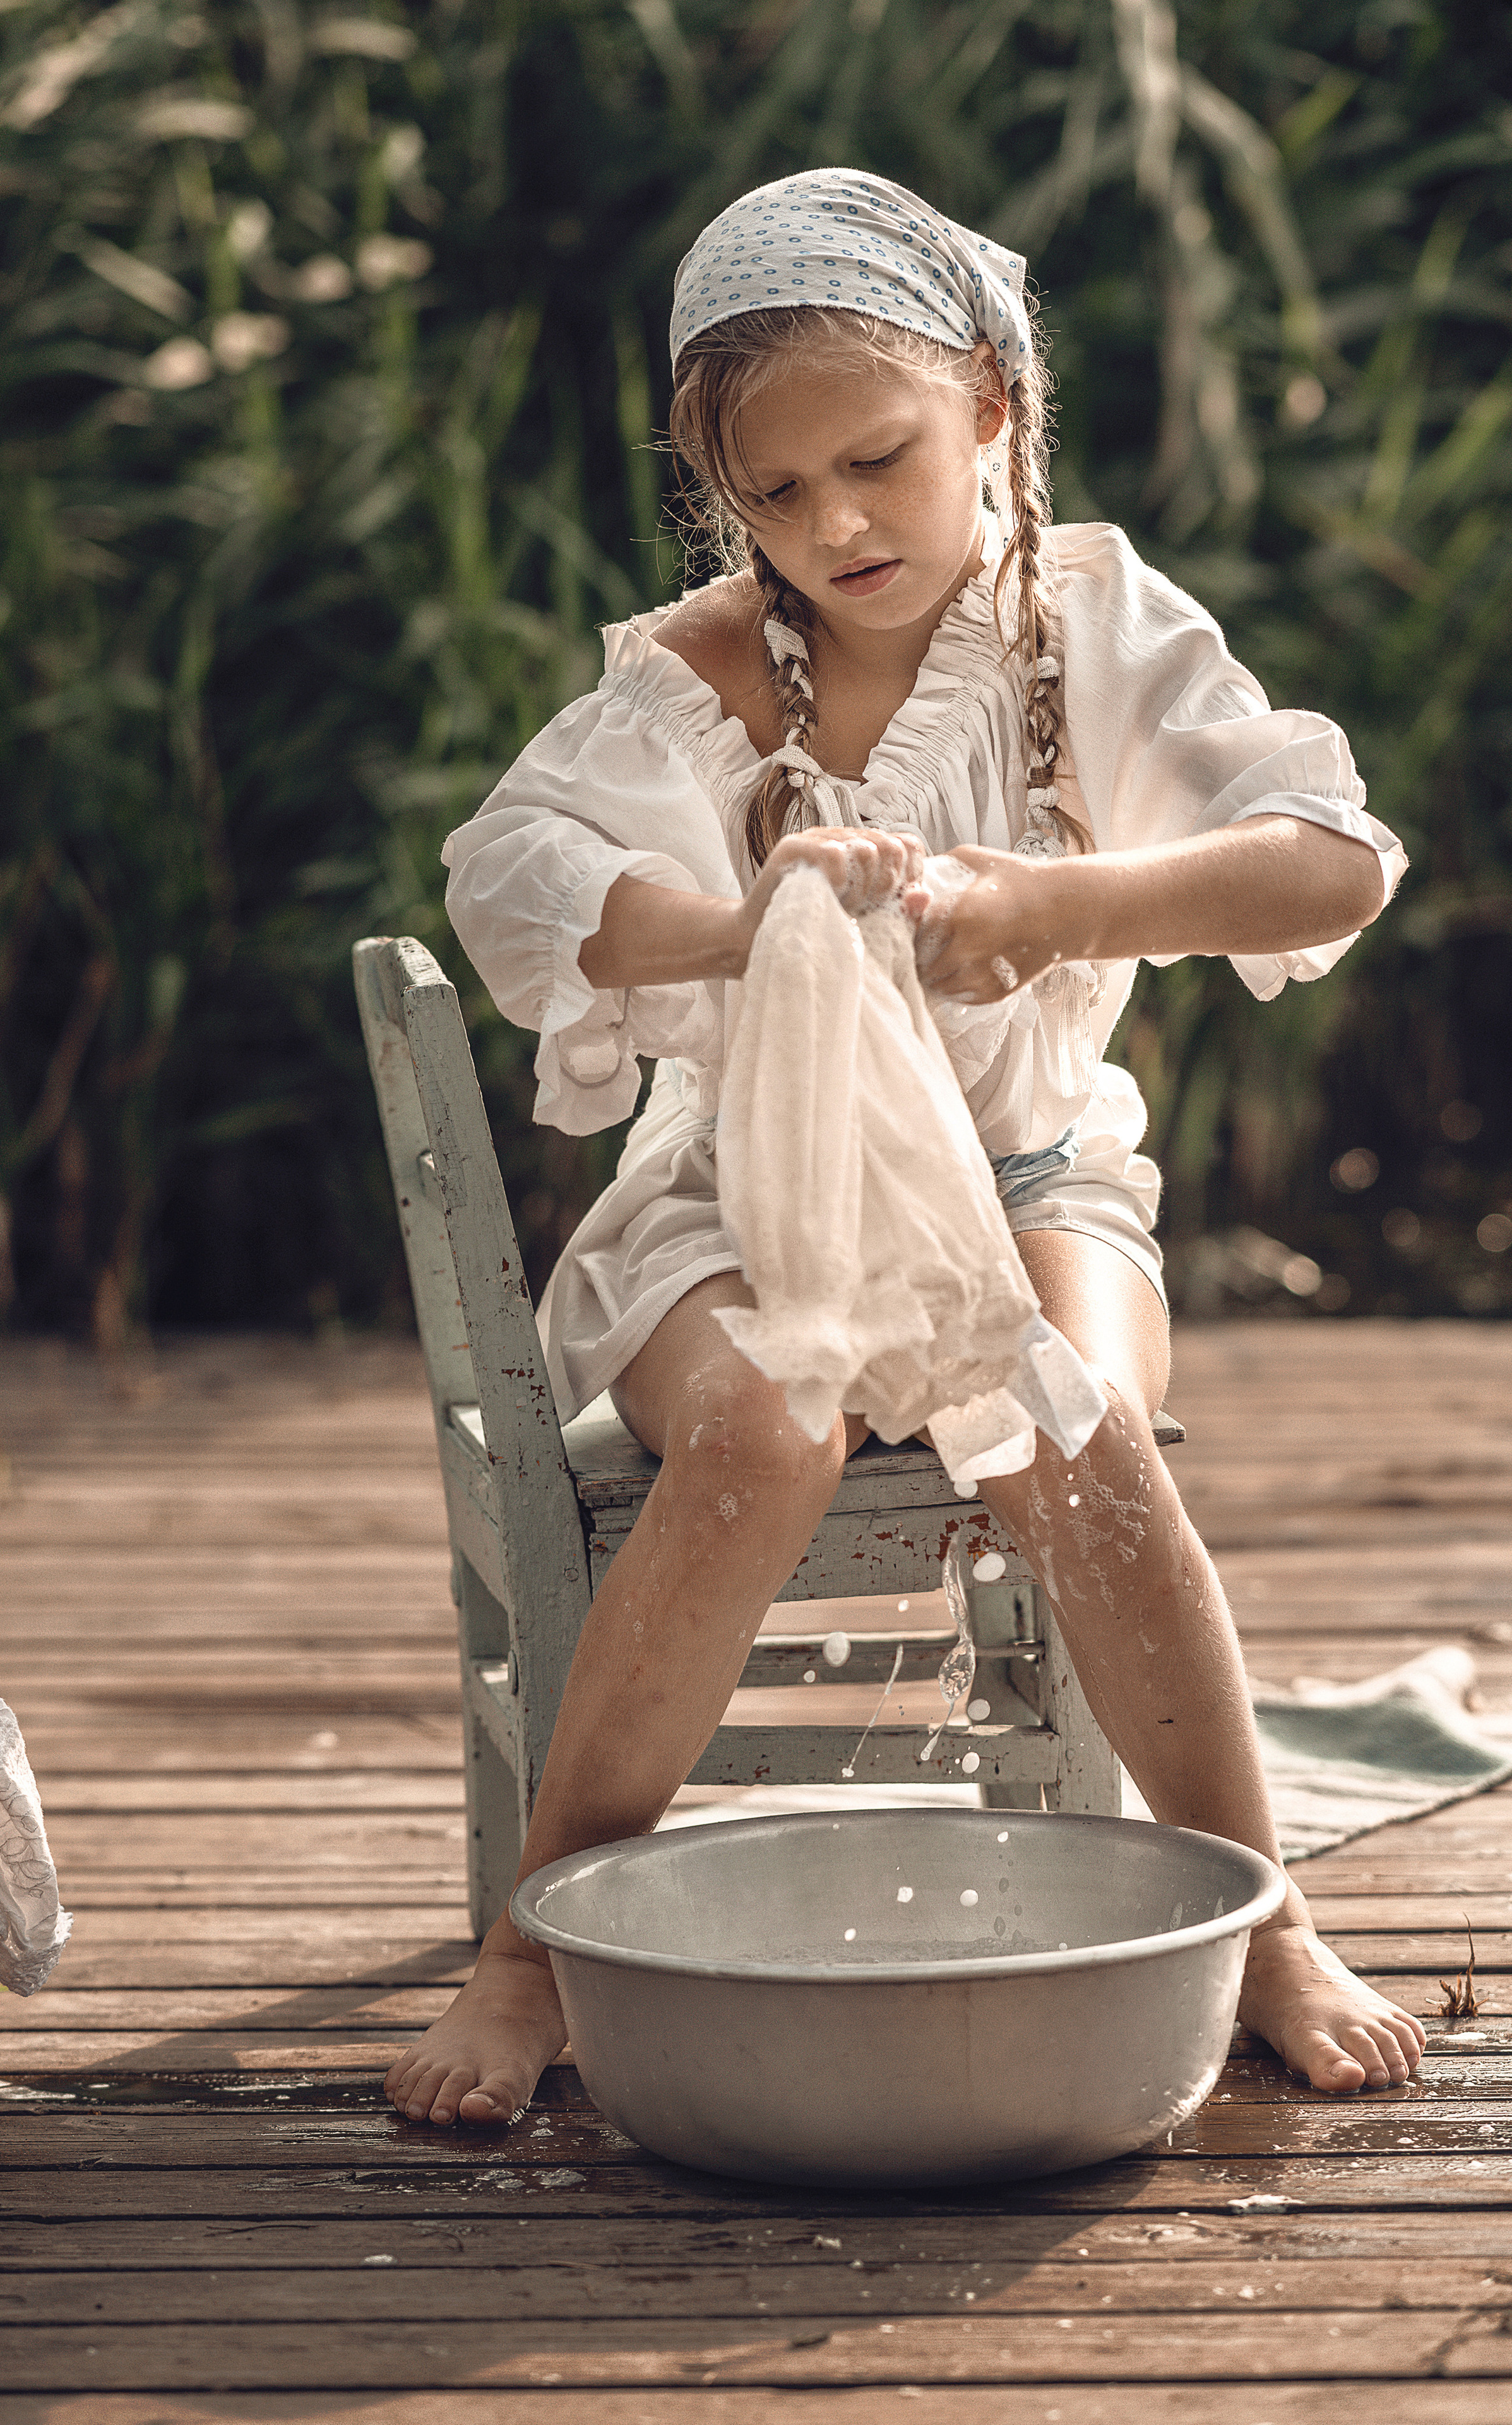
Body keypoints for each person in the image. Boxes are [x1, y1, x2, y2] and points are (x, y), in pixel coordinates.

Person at [384, 168, 1424, 2128]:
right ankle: (530, 1953)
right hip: (743, 1192)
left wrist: (1050, 905)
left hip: (1028, 1175)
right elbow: (516, 878)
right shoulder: (700, 670)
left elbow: (1330, 865)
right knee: (766, 1431)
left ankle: (1267, 1920)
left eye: (879, 460)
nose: (836, 526)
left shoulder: (1087, 623)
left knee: (1071, 1424)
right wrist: (750, 927)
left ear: (992, 407)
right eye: (775, 495)